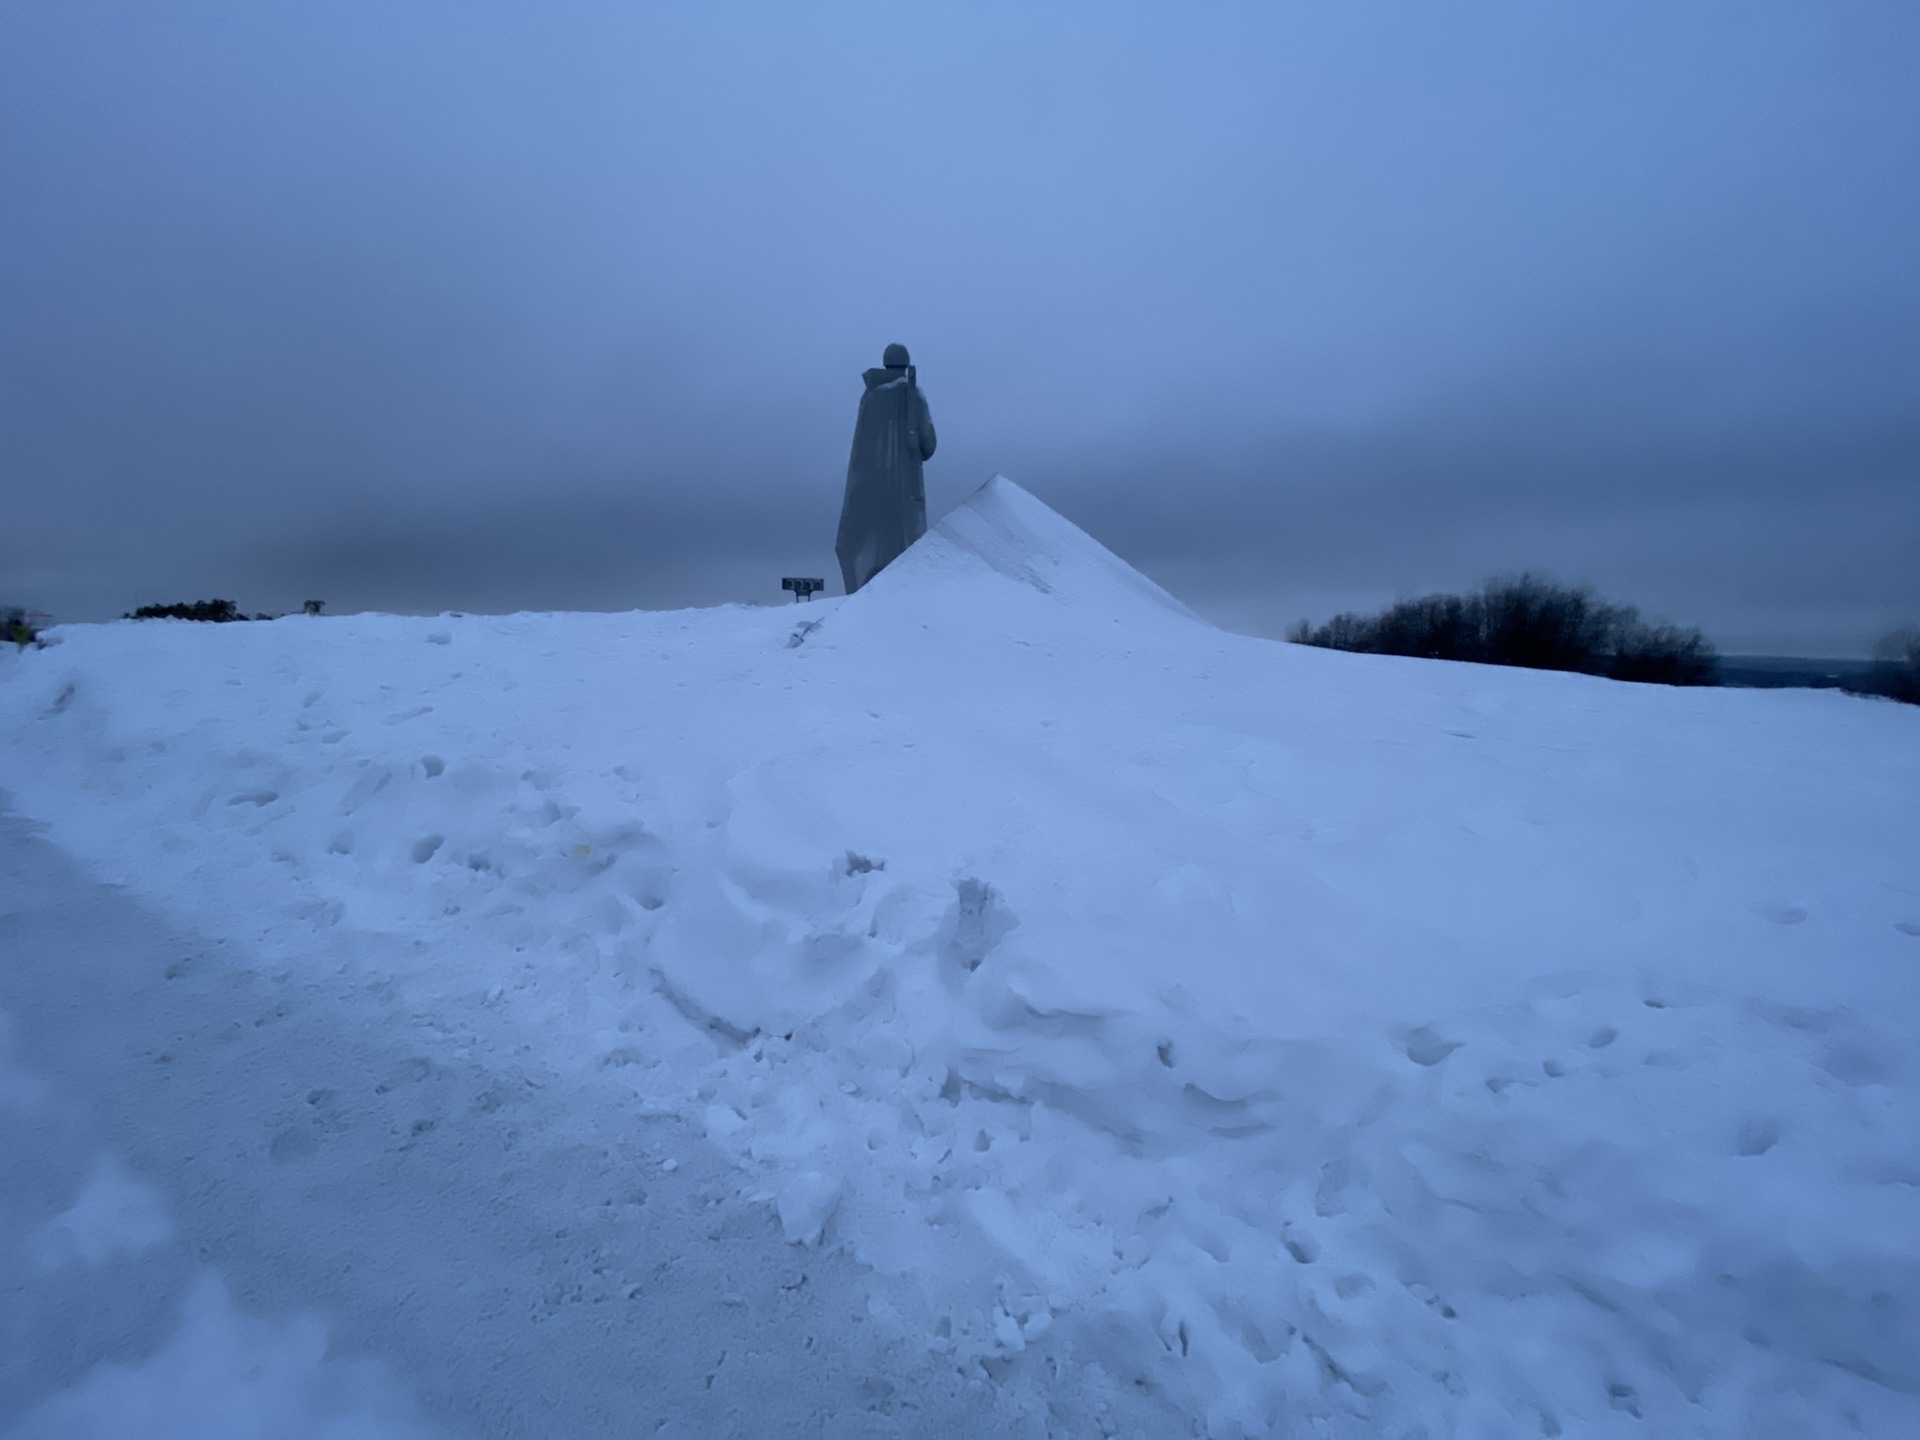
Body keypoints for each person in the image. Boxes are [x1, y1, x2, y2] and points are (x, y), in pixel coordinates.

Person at [835, 342, 936, 594]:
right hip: (905, 494)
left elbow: (861, 451)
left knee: (877, 552)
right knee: (904, 553)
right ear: (906, 364)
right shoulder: (912, 396)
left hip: (871, 491)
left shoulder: (870, 397)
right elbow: (928, 446)